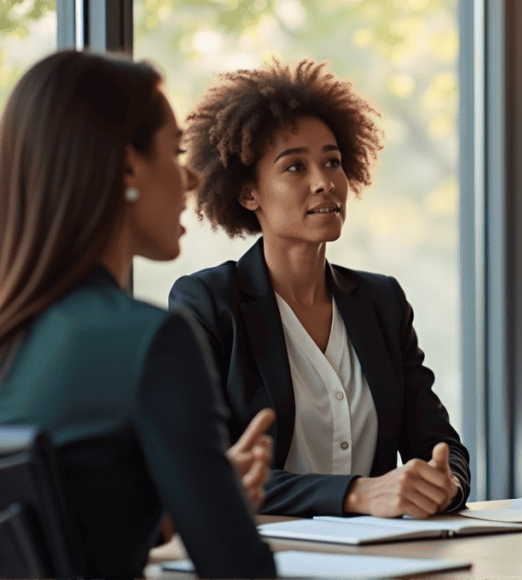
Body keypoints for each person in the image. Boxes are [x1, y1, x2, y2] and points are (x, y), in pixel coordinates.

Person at [0, 51, 276, 578]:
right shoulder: (151, 341)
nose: (191, 178)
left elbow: (60, 530)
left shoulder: (17, 334)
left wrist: (180, 504)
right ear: (128, 165)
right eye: (174, 151)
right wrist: (221, 510)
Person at [169, 59, 470, 519]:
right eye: (294, 167)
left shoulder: (382, 302)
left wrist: (443, 486)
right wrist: (357, 494)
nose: (324, 181)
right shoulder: (208, 303)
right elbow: (213, 470)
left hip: (385, 556)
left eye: (332, 162)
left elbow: (441, 445)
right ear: (249, 193)